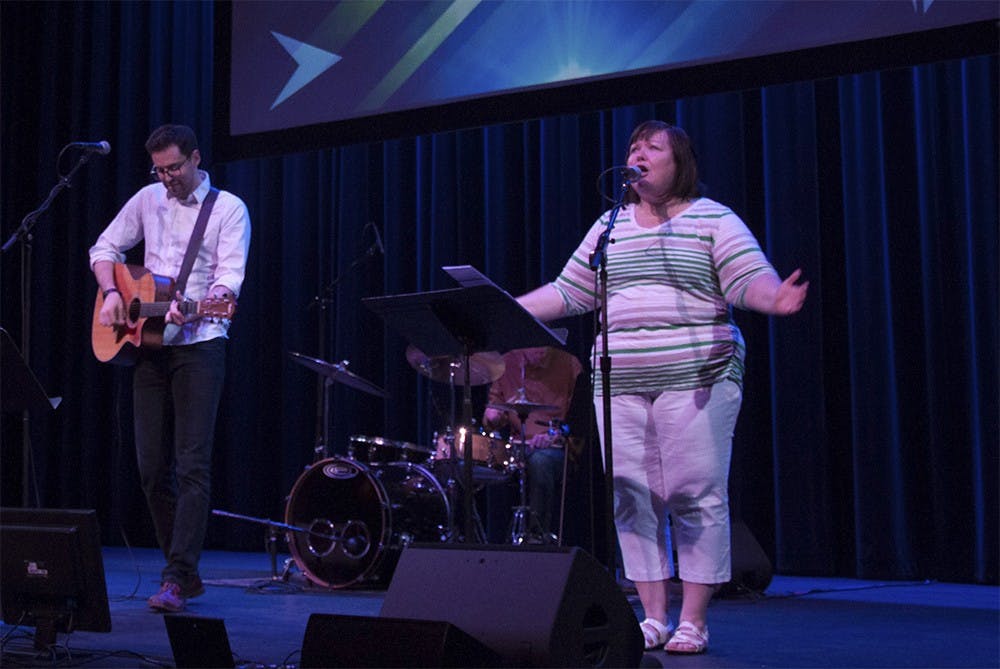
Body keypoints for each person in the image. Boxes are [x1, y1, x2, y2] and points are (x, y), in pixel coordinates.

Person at [516, 121, 807, 654]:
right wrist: (508, 310)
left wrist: (775, 299)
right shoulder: (610, 226)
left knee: (694, 491)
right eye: (634, 146)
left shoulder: (713, 219)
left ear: (679, 164)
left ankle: (693, 620)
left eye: (653, 147)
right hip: (620, 378)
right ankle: (653, 617)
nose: (638, 153)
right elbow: (568, 291)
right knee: (633, 494)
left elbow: (748, 279)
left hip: (697, 377)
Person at [89, 124, 251, 613]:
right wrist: (114, 292)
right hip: (150, 344)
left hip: (201, 342)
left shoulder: (228, 208)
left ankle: (178, 577)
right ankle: (181, 571)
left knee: (192, 465)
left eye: (174, 168)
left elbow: (227, 281)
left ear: (196, 158)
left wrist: (209, 302)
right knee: (150, 469)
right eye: (159, 170)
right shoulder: (147, 199)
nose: (167, 179)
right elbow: (104, 249)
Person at [482, 347, 583, 540]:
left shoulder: (569, 364)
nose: (536, 354)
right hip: (518, 446)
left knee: (540, 461)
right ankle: (491, 541)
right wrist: (492, 417)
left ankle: (537, 536)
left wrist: (556, 434)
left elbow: (580, 417)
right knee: (482, 463)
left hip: (557, 447)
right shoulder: (506, 363)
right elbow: (494, 414)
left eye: (541, 349)